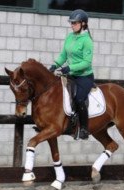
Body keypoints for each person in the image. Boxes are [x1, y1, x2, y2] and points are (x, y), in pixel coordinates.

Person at [50, 9, 94, 140]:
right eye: (72, 23)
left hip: (84, 77)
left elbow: (87, 62)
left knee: (79, 98)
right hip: (71, 75)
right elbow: (64, 55)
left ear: (83, 24)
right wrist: (55, 65)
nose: (72, 25)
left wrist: (70, 68)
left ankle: (84, 129)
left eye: (75, 23)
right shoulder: (70, 37)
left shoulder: (87, 41)